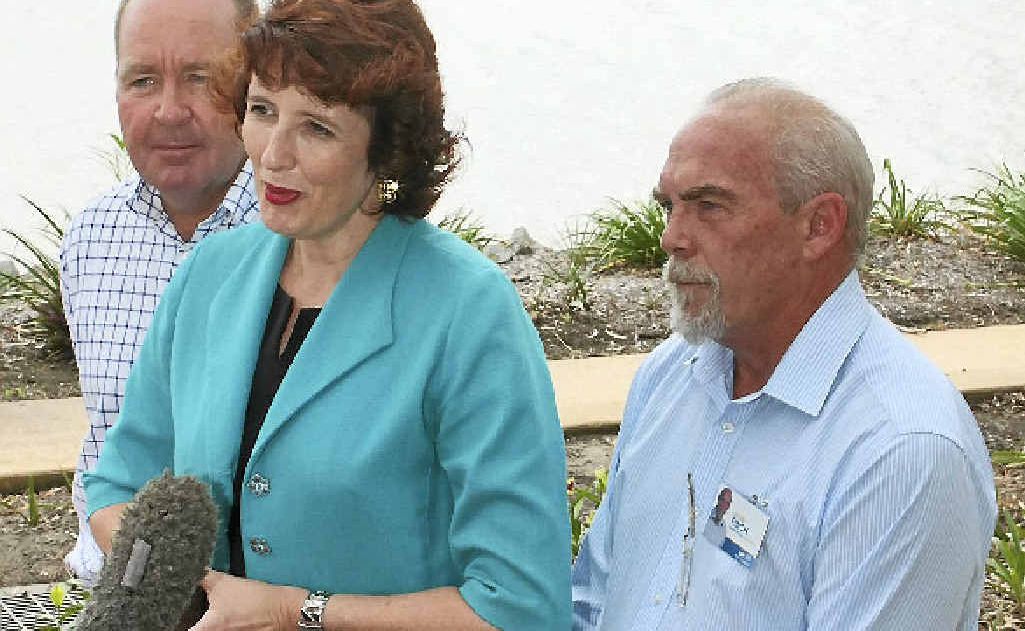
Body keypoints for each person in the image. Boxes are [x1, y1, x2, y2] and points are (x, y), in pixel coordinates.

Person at [85, 0, 572, 629]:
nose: (273, 154)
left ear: (387, 148)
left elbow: (523, 607)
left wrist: (295, 611)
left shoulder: (469, 311)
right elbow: (117, 485)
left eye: (316, 126)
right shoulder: (210, 273)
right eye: (261, 111)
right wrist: (188, 583)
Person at [571, 78, 997, 630]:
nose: (672, 237)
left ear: (818, 227)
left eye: (709, 205)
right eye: (670, 206)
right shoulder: (671, 376)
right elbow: (592, 604)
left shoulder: (902, 451)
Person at [60, 0, 260, 584]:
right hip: (106, 588)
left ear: (253, 84)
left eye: (200, 77)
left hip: (248, 606)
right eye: (143, 80)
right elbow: (104, 445)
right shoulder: (92, 238)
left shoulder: (306, 244)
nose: (170, 111)